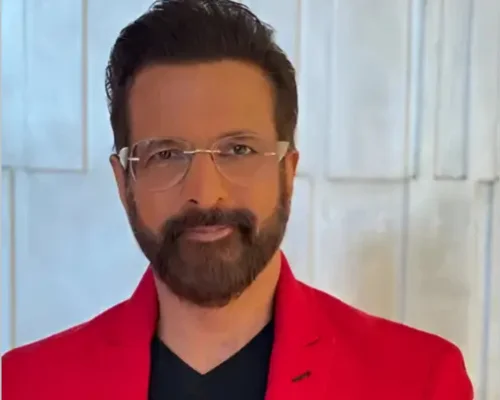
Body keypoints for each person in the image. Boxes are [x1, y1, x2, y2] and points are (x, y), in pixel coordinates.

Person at [2, 0, 473, 399]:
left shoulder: (418, 380)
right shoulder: (24, 384)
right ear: (124, 182)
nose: (206, 193)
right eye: (166, 154)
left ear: (287, 171)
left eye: (239, 150)